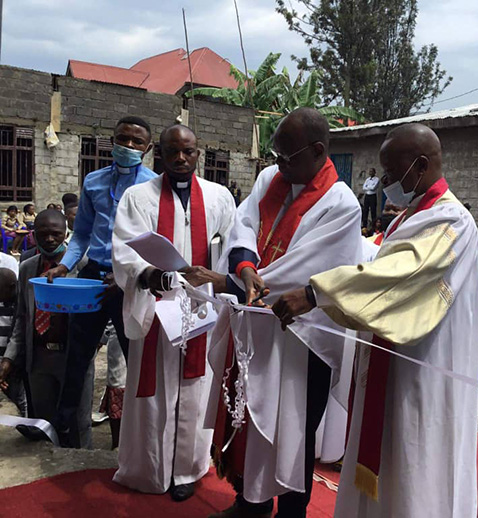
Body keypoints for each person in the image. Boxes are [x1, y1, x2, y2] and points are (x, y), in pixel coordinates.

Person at [272, 122, 478, 518]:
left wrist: (316, 293)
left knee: (411, 464)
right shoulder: (410, 216)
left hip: (422, 372)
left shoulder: (450, 220)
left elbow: (402, 276)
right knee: (385, 457)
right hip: (391, 360)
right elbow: (376, 264)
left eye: (390, 171)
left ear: (420, 165)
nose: (384, 181)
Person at [209, 108, 362, 518]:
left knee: (294, 432)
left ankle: (293, 511)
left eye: (286, 157)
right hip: (258, 328)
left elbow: (313, 270)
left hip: (302, 339)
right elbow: (244, 225)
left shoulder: (341, 204)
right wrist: (244, 269)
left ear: (317, 151)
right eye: (276, 156)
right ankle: (250, 503)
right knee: (252, 420)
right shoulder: (269, 181)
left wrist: (246, 283)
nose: (278, 165)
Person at [110, 124, 236, 500]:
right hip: (155, 309)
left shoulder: (218, 197)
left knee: (194, 387)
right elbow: (125, 249)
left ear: (199, 153)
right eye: (173, 152)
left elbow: (230, 247)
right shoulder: (138, 197)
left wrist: (217, 279)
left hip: (200, 309)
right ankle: (149, 469)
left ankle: (186, 471)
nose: (181, 158)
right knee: (153, 390)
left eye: (189, 151)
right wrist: (150, 275)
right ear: (159, 155)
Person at [45, 116, 157, 448]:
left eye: (137, 142)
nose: (129, 147)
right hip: (93, 277)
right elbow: (80, 235)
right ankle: (65, 430)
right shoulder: (93, 181)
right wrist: (64, 266)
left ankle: (141, 433)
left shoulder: (152, 186)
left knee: (136, 357)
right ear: (112, 141)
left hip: (132, 280)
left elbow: (154, 241)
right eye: (123, 139)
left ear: (148, 148)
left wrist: (129, 275)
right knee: (77, 355)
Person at [0, 210, 84, 441]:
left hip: (73, 357)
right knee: (45, 424)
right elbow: (22, 318)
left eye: (55, 234)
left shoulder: (82, 265)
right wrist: (9, 358)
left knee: (77, 424)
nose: (49, 239)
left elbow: (100, 310)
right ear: (34, 234)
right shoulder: (27, 267)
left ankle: (78, 473)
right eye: (43, 234)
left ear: (65, 233)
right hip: (38, 358)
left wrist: (96, 342)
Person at [0, 266, 27, 417]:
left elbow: (19, 337)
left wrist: (11, 362)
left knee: (19, 398)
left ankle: (27, 427)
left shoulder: (22, 305)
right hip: (2, 361)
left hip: (16, 363)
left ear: (11, 287)